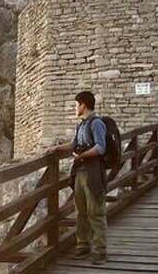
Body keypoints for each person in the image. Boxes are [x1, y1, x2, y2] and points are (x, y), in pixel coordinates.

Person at [46, 91, 108, 264]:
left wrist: (82, 156)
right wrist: (57, 148)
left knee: (95, 210)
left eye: (76, 104)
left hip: (93, 171)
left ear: (83, 105)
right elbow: (74, 144)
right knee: (81, 210)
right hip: (80, 171)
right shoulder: (81, 125)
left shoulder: (97, 124)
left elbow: (100, 147)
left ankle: (100, 250)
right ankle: (83, 245)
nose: (75, 108)